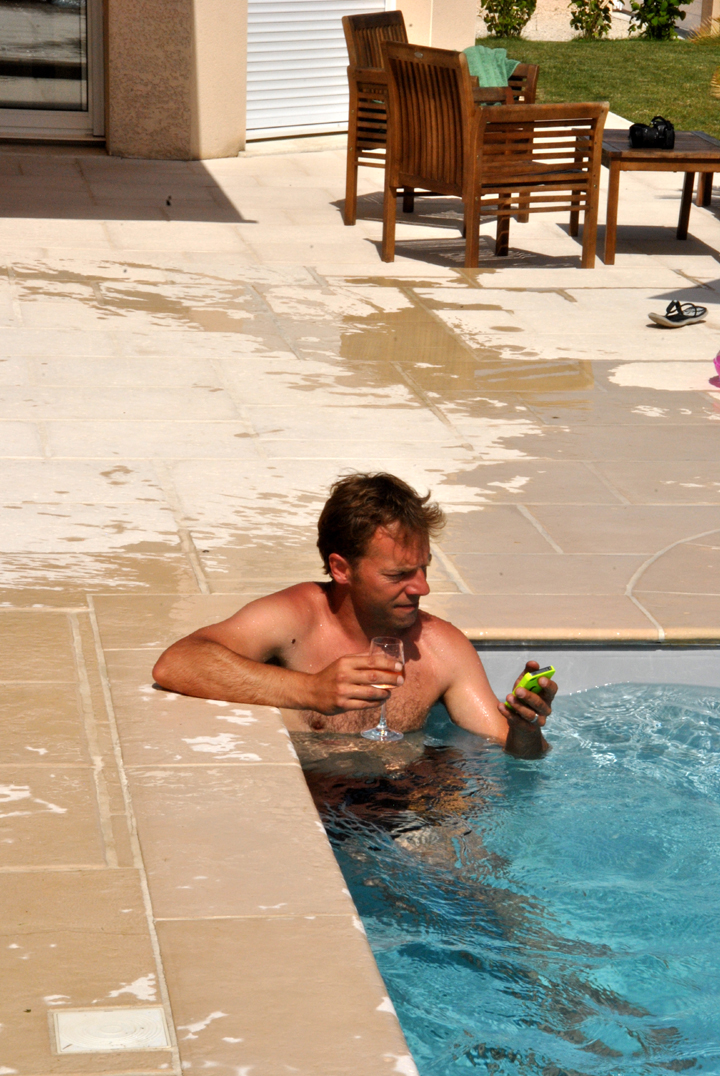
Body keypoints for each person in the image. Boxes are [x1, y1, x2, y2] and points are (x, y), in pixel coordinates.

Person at [152, 473, 556, 757]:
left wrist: (525, 729)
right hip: (322, 805)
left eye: (423, 569)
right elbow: (178, 663)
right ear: (342, 569)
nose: (422, 588)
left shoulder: (441, 647)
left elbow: (514, 752)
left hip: (408, 805)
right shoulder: (297, 619)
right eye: (398, 575)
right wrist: (311, 690)